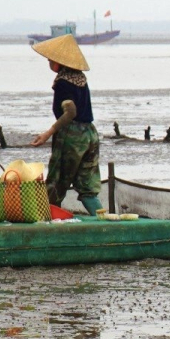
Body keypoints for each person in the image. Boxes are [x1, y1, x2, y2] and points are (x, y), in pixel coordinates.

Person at [28, 34, 103, 215]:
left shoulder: (63, 83)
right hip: (90, 134)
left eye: (50, 59)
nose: (48, 62)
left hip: (72, 136)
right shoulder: (81, 80)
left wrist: (48, 133)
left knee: (56, 184)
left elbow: (71, 112)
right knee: (88, 188)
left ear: (59, 62)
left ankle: (51, 224)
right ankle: (105, 222)